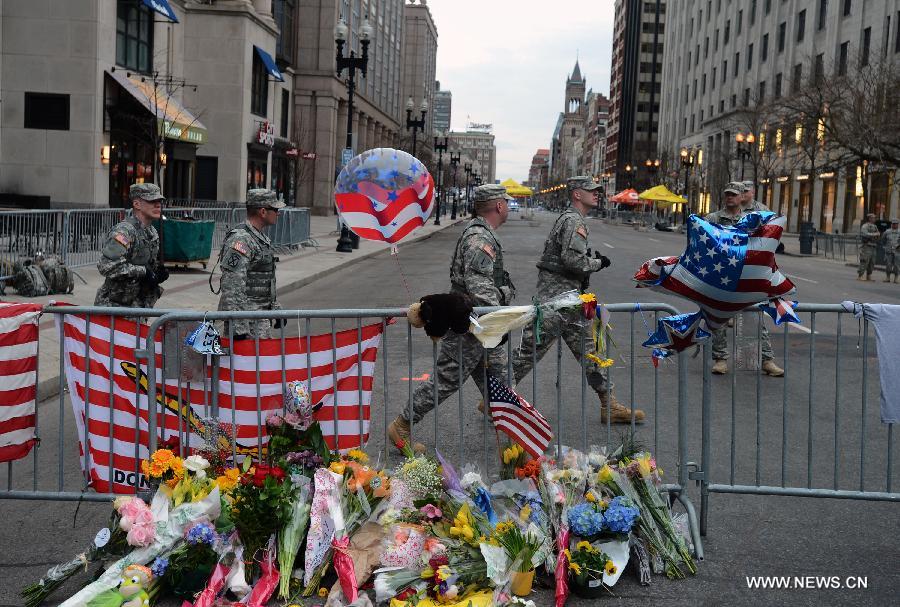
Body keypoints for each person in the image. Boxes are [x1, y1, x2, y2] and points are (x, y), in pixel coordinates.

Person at [506, 176, 644, 423]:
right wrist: (598, 263)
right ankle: (495, 399)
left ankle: (609, 405)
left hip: (568, 303)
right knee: (527, 355)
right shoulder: (573, 221)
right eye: (592, 191)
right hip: (557, 303)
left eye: (598, 191)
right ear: (577, 194)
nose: (597, 194)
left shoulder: (572, 220)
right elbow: (573, 262)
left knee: (591, 355)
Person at [387, 184, 516, 448]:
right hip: (470, 326)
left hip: (479, 324)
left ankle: (513, 439)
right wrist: (497, 323)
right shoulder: (479, 239)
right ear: (499, 206)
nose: (507, 206)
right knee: (446, 381)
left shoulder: (482, 234)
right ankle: (402, 425)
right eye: (505, 202)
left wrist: (501, 295)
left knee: (499, 380)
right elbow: (479, 288)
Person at [705, 183, 784, 377]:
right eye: (727, 194)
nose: (730, 197)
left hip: (747, 276)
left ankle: (767, 360)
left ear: (742, 197)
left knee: (756, 317)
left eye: (733, 194)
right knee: (720, 319)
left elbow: (764, 243)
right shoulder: (713, 218)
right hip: (722, 276)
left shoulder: (752, 220)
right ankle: (720, 359)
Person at [215, 189, 284, 339]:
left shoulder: (259, 237)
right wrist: (238, 328)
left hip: (258, 320)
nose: (278, 213)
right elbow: (232, 284)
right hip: (247, 324)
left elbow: (263, 280)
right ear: (263, 212)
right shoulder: (241, 239)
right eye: (275, 209)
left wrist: (275, 309)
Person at [95, 183, 169, 308]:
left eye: (159, 201)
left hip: (137, 305)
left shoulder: (151, 232)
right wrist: (144, 272)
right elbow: (106, 266)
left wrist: (156, 273)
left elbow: (146, 263)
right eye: (152, 201)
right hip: (113, 308)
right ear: (136, 204)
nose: (158, 205)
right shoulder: (124, 231)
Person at [857, 213, 881, 281]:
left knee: (872, 262)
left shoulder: (875, 226)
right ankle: (860, 275)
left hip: (873, 246)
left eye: (875, 218)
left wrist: (878, 235)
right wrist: (874, 234)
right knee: (864, 260)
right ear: (869, 218)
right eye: (873, 218)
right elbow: (865, 234)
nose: (874, 219)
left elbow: (878, 234)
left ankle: (869, 275)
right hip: (867, 246)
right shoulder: (865, 226)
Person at [882, 218, 900, 283]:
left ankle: (896, 278)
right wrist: (885, 247)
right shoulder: (887, 232)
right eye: (893, 224)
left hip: (897, 251)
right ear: (891, 224)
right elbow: (883, 240)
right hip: (889, 251)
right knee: (888, 265)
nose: (894, 225)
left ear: (898, 224)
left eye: (896, 224)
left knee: (897, 266)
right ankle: (888, 277)